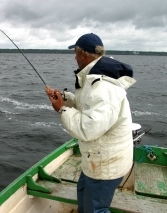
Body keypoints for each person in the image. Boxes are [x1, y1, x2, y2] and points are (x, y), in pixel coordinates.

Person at [46, 33, 136, 213]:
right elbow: (87, 104)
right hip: (95, 160)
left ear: (83, 54)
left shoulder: (103, 87)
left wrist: (62, 109)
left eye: (76, 53)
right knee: (84, 200)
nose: (74, 57)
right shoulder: (94, 78)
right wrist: (64, 98)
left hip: (105, 165)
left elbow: (89, 129)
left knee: (95, 210)